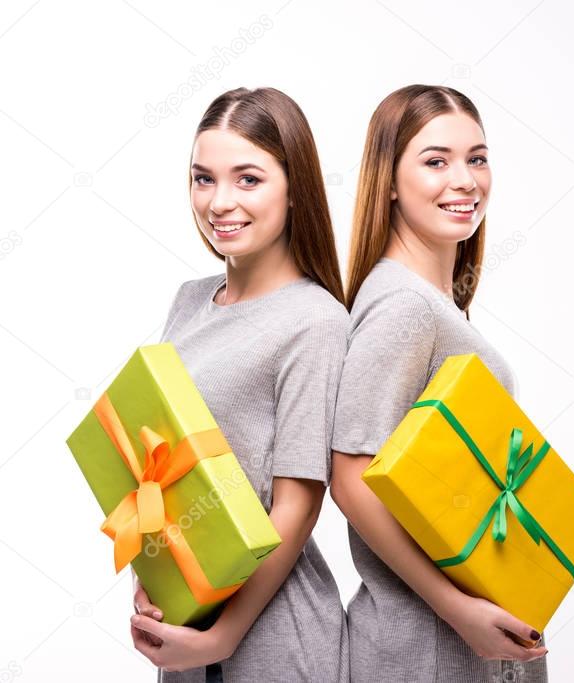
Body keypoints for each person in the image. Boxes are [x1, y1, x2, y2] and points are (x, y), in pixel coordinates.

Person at [330, 84, 574, 682]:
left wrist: (553, 507)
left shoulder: (436, 304)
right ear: (388, 180)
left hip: (462, 646)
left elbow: (437, 473)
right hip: (424, 650)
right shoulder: (403, 308)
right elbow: (351, 478)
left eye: (477, 158)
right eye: (436, 161)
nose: (464, 180)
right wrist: (457, 608)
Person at [128, 87, 350, 683]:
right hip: (186, 630)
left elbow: (297, 505)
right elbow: (161, 472)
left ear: (294, 187)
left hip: (274, 640)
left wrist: (222, 637)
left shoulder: (316, 320)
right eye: (203, 179)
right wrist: (151, 582)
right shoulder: (189, 301)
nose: (219, 201)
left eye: (247, 179)